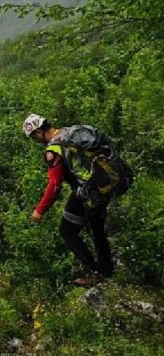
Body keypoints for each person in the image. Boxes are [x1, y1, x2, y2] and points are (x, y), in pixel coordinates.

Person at [23, 114, 114, 285]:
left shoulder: (53, 150)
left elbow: (55, 185)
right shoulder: (67, 132)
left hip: (87, 191)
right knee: (97, 229)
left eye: (34, 137)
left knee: (67, 231)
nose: (36, 141)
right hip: (102, 185)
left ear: (37, 132)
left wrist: (39, 210)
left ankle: (97, 273)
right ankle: (107, 271)